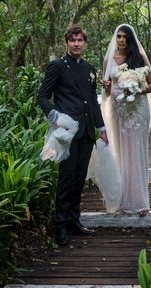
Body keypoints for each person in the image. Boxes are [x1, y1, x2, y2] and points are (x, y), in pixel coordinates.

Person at [38, 25, 108, 245]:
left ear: (84, 43)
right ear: (66, 43)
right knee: (66, 179)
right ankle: (60, 227)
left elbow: (92, 102)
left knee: (79, 179)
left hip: (87, 131)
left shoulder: (89, 68)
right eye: (73, 40)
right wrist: (55, 117)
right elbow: (42, 97)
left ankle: (74, 221)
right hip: (67, 133)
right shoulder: (58, 66)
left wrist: (102, 128)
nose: (77, 44)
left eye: (80, 40)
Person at [101, 24, 151, 217]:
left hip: (137, 110)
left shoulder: (139, 58)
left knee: (137, 151)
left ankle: (140, 201)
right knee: (122, 152)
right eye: (119, 36)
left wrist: (136, 89)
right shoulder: (108, 59)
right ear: (115, 38)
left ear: (130, 39)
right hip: (119, 110)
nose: (122, 40)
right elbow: (107, 91)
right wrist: (106, 86)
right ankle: (123, 200)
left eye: (125, 37)